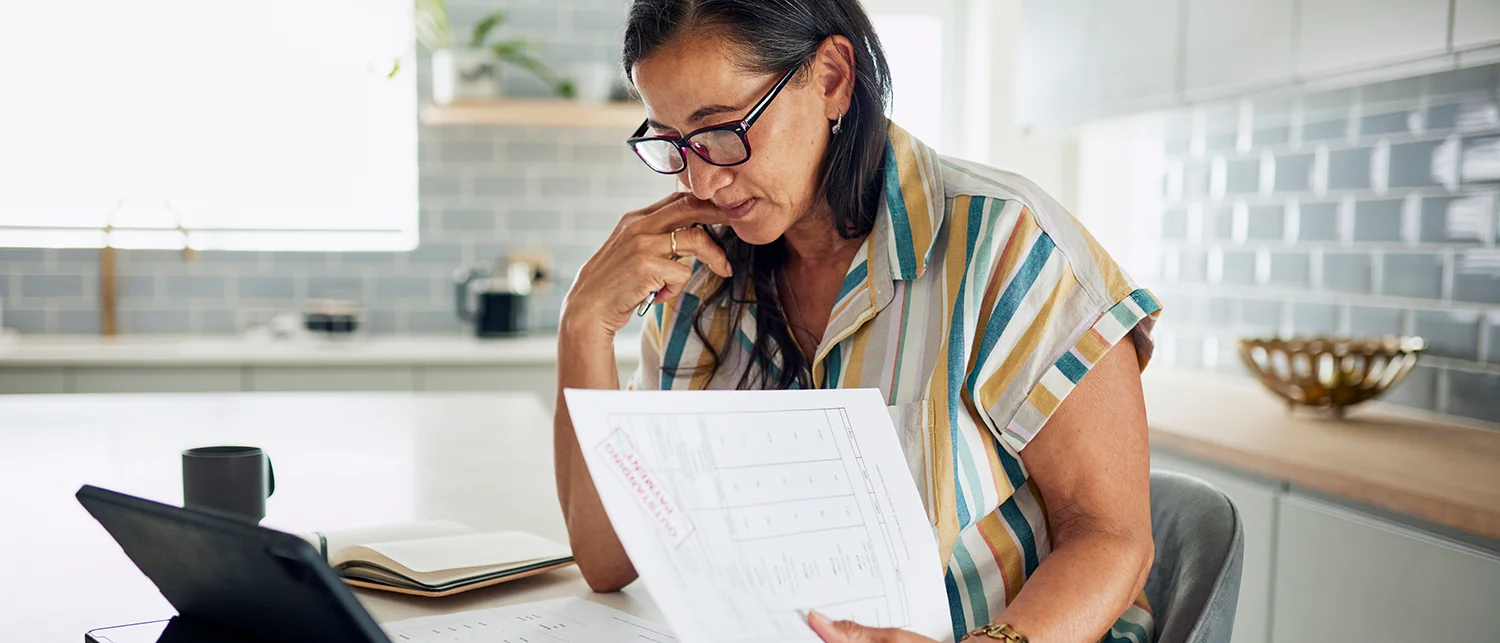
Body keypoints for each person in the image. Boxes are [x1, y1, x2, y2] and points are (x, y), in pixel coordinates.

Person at [553, 1, 1162, 641]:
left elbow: (1115, 540)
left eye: (722, 130)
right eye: (672, 143)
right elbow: (607, 557)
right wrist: (584, 322)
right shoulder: (697, 278)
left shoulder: (1005, 246)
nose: (702, 181)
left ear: (832, 78)